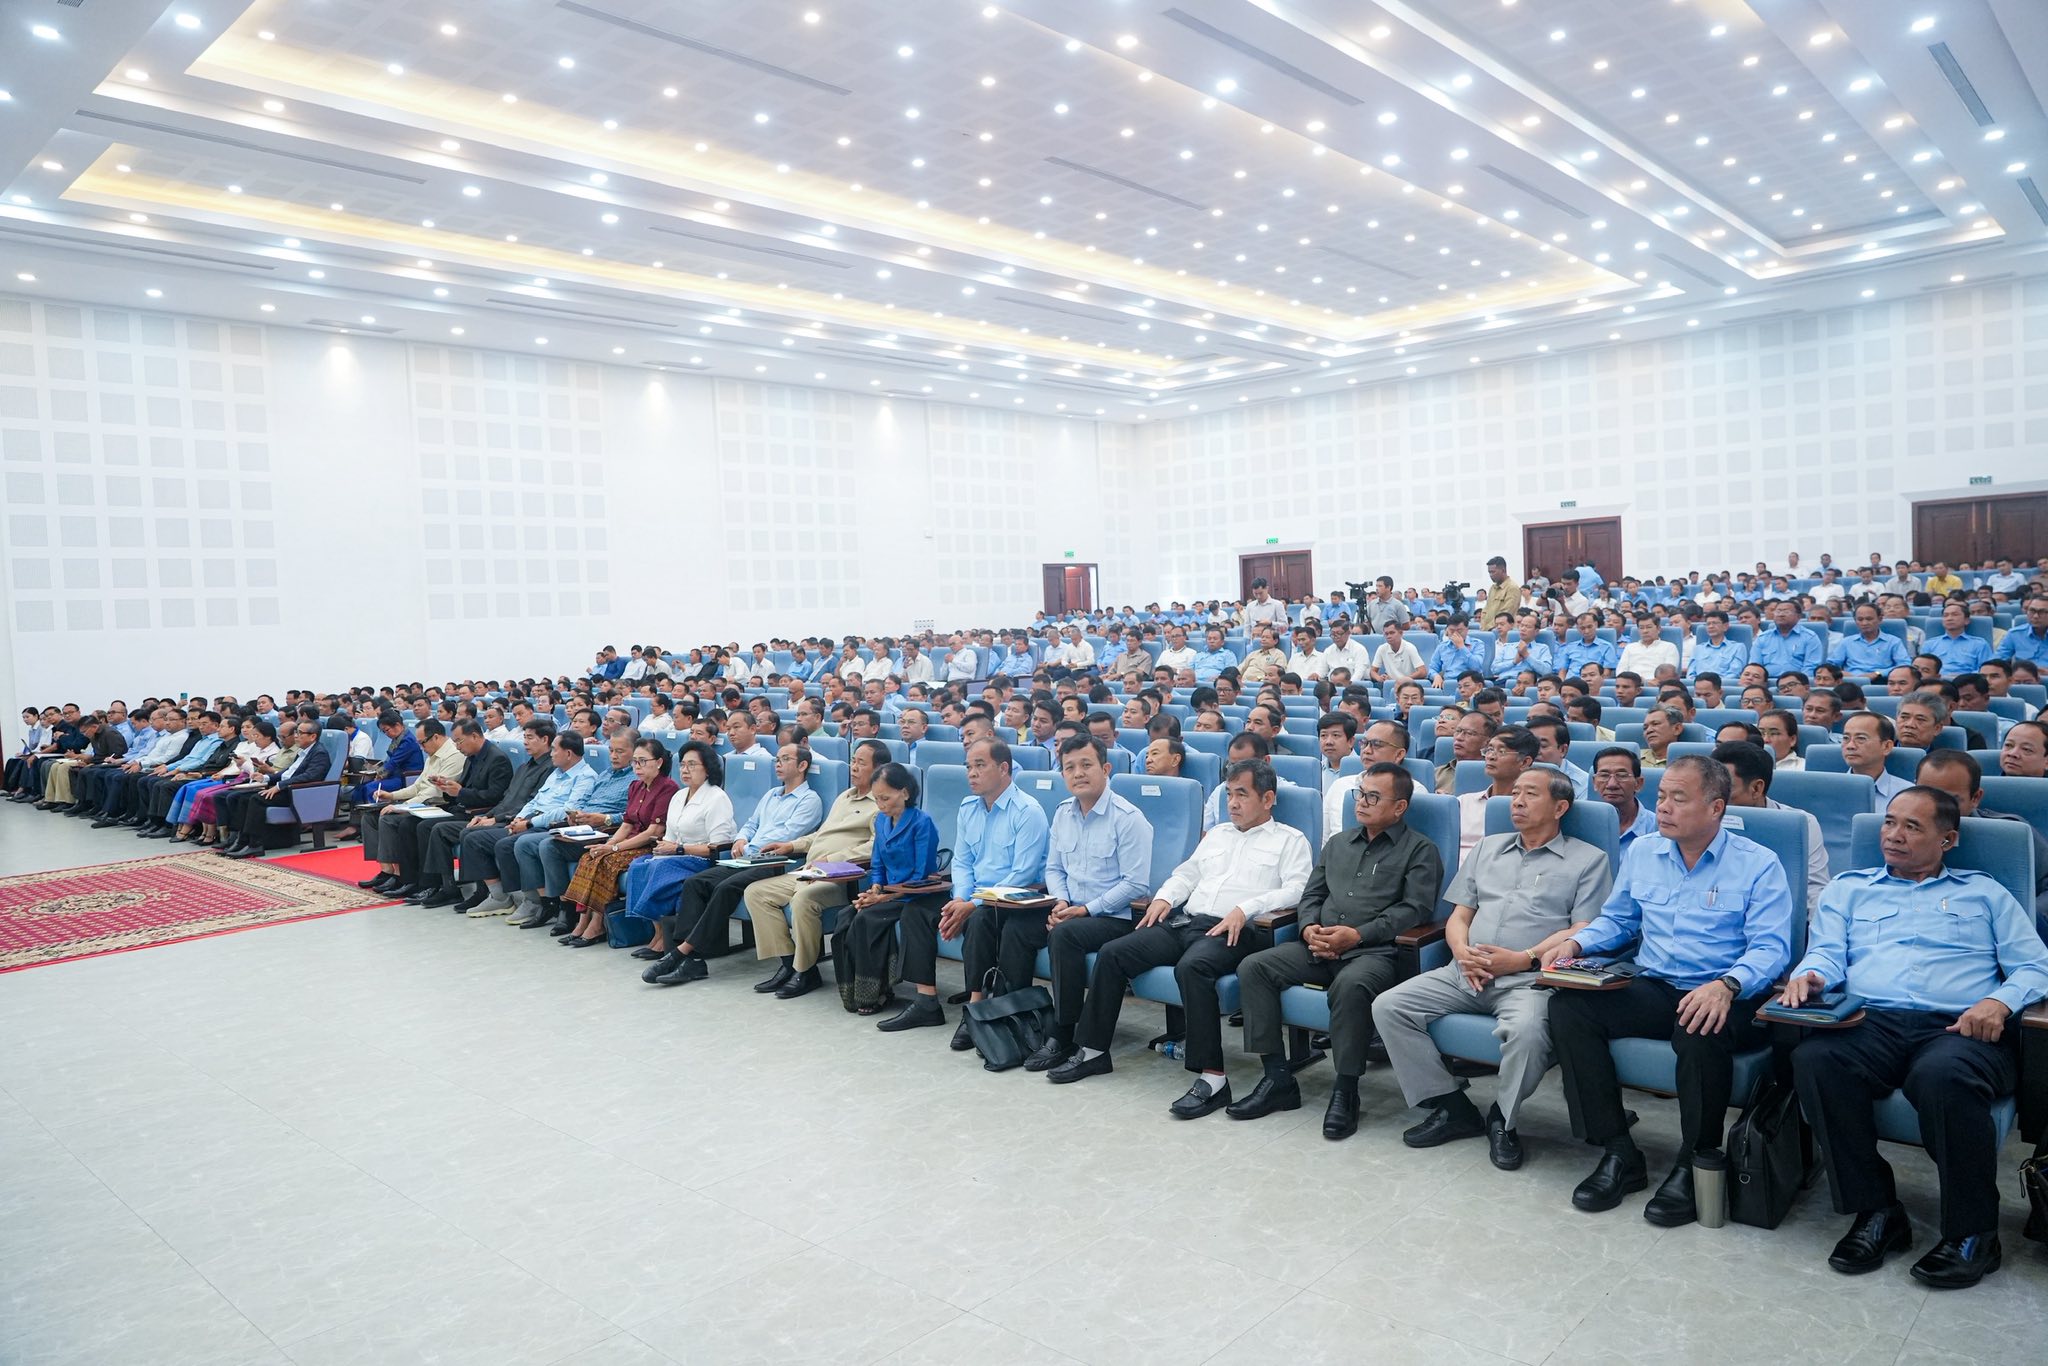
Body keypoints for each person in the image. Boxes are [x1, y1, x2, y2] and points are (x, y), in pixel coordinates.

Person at [1783, 786, 2048, 1288]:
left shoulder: (1985, 893)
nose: (1893, 835)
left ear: (1947, 839)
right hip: (1872, 1021)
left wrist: (1999, 1002)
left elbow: (2036, 965)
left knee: (1941, 1076)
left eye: (1912, 827)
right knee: (1817, 1061)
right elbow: (1826, 952)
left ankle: (1974, 1233)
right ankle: (1877, 1211)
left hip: (1961, 1025)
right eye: (1889, 822)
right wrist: (1813, 974)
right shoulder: (1849, 888)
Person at [1544, 757, 1795, 1226]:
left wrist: (1727, 985)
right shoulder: (1644, 851)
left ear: (1716, 807)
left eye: (1679, 798)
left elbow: (1771, 948)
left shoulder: (1759, 864)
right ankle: (1618, 1150)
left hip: (1729, 994)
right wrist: (1576, 943)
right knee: (1570, 1008)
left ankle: (1693, 1161)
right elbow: (1620, 920)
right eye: (1661, 796)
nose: (1663, 807)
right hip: (1657, 985)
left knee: (1699, 1026)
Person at [1049, 759, 1313, 1119]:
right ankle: (1094, 1051)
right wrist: (1164, 897)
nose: (1232, 803)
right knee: (1113, 953)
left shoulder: (1289, 840)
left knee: (1192, 968)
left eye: (1242, 795)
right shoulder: (1218, 834)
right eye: (1229, 795)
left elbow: (1298, 889)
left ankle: (1213, 1078)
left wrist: (1246, 908)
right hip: (1187, 921)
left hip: (1236, 930)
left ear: (1268, 799)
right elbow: (1187, 874)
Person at [1375, 767, 1611, 1165]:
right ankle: (1452, 1106)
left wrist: (1523, 958)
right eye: (1515, 793)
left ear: (1560, 808)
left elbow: (1583, 928)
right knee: (1389, 1006)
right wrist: (1461, 952)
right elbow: (1460, 915)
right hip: (1465, 972)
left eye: (1530, 794)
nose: (1516, 801)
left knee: (1528, 1034)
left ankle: (1504, 1118)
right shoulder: (1488, 848)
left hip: (1530, 979)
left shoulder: (1588, 860)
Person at [1231, 763, 1443, 1136]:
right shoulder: (1339, 843)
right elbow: (1312, 894)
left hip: (1374, 953)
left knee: (1351, 986)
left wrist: (1357, 935)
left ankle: (1346, 1090)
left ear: (1399, 807)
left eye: (1373, 797)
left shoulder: (1420, 850)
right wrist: (1308, 928)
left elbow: (1414, 910)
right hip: (1318, 944)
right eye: (1360, 794)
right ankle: (1277, 1078)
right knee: (1255, 967)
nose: (1361, 802)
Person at [881, 738, 1052, 1042]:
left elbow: (1022, 874)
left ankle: (976, 1009)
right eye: (968, 767)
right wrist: (960, 898)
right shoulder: (968, 807)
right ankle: (926, 1001)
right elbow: (962, 861)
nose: (971, 773)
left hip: (1009, 900)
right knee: (916, 911)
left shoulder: (1028, 811)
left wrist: (971, 904)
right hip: (971, 895)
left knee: (979, 920)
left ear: (1004, 768)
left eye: (980, 766)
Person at [1011, 737, 1158, 1072]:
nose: (1078, 773)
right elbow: (1054, 868)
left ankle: (1063, 1032)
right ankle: (1020, 1022)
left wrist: (1085, 910)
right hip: (1072, 910)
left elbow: (1136, 884)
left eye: (1086, 765)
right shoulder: (1063, 813)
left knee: (1065, 935)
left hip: (1115, 917)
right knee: (1016, 928)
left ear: (1105, 769)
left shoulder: (1128, 818)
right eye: (1070, 767)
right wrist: (1062, 901)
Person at [647, 741, 823, 981]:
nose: (778, 764)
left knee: (725, 888)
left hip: (775, 861)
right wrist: (740, 839)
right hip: (747, 857)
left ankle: (682, 952)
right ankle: (692, 962)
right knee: (696, 883)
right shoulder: (771, 794)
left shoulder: (809, 800)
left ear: (802, 766)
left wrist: (749, 847)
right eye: (777, 759)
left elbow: (787, 835)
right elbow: (751, 824)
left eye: (785, 759)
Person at [734, 739, 889, 995]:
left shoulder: (880, 804)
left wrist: (834, 859)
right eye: (853, 761)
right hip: (810, 870)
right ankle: (789, 964)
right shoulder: (844, 797)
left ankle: (805, 971)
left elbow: (876, 847)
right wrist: (791, 845)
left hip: (842, 878)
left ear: (879, 768)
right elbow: (820, 835)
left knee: (803, 900)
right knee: (756, 893)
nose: (853, 767)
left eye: (861, 763)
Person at [837, 762, 943, 1013]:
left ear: (904, 793)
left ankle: (875, 992)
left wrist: (882, 899)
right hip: (887, 893)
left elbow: (920, 876)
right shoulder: (881, 822)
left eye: (885, 798)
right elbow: (877, 864)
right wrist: (875, 889)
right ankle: (851, 991)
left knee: (867, 919)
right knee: (845, 917)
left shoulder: (922, 822)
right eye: (877, 798)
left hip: (914, 895)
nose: (880, 804)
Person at [554, 739, 679, 945]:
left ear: (658, 762)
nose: (637, 767)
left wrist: (614, 847)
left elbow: (653, 832)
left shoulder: (668, 788)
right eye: (635, 762)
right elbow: (627, 824)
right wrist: (608, 844)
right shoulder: (635, 786)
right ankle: (582, 922)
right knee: (590, 856)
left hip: (650, 845)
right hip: (629, 841)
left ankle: (597, 924)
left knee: (608, 862)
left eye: (642, 761)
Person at [1915, 750, 2048, 937]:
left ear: (1975, 798)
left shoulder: (2010, 836)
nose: (1933, 810)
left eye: (1949, 800)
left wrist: (2024, 918)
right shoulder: (1893, 835)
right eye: (1924, 795)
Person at [1714, 741, 1830, 912]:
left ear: (1756, 788)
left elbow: (1814, 890)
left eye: (1725, 789)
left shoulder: (1801, 824)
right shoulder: (1702, 820)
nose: (1715, 797)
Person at [215, 721, 336, 858]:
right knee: (240, 797)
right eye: (296, 732)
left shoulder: (319, 753)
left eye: (300, 733)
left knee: (256, 799)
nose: (296, 736)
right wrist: (266, 778)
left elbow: (310, 776)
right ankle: (241, 841)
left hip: (299, 793)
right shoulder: (303, 751)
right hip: (288, 788)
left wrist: (279, 786)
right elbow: (288, 772)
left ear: (313, 736)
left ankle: (255, 844)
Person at [1457, 724, 1537, 855]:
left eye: (1502, 751)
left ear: (1524, 762)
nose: (1490, 756)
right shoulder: (1463, 802)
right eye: (1489, 749)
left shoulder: (1530, 809)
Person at [1840, 711, 1912, 809]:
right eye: (1846, 738)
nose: (1850, 746)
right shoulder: (1828, 789)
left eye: (1861, 738)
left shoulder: (1908, 794)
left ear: (1886, 746)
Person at [1831, 602, 1912, 677]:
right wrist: (1841, 673)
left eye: (1869, 619)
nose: (1864, 623)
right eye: (1860, 619)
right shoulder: (1846, 642)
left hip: (1882, 681)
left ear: (1880, 619)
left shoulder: (1893, 641)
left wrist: (1878, 673)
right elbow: (1831, 665)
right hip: (1851, 680)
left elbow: (1904, 665)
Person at [1924, 600, 1992, 675]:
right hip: (1937, 680)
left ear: (1966, 620)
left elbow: (1987, 669)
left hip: (1968, 680)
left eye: (1955, 615)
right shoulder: (1929, 644)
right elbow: (1922, 668)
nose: (1949, 618)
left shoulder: (1980, 644)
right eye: (1945, 615)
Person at [1370, 620, 1427, 686]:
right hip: (1391, 684)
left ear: (1401, 633)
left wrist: (1404, 679)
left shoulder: (1410, 648)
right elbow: (1372, 671)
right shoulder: (1382, 648)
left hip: (1408, 684)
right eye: (1386, 634)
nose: (1389, 636)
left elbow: (1422, 672)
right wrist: (1379, 678)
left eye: (1392, 633)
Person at [1478, 555, 1520, 631]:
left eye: (1493, 572)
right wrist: (1483, 627)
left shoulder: (1512, 588)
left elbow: (1506, 613)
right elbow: (1485, 610)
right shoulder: (1492, 588)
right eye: (1489, 572)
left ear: (1503, 570)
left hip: (1503, 631)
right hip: (1487, 630)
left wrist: (1488, 628)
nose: (1491, 575)